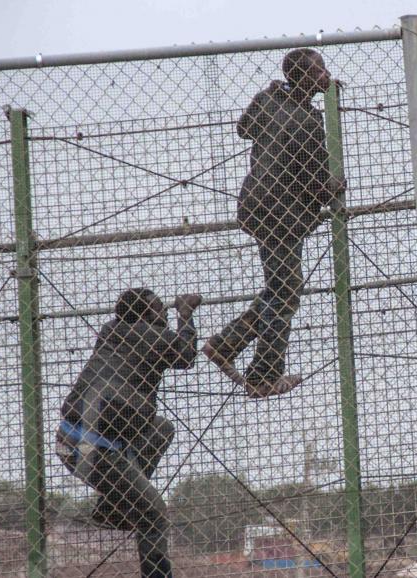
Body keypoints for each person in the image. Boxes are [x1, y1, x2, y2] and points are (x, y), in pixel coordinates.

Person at [202, 48, 344, 397]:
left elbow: (244, 128)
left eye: (324, 70)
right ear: (302, 78)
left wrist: (272, 93)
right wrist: (334, 187)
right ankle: (263, 375)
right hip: (283, 215)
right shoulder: (308, 121)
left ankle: (225, 344)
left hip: (256, 206)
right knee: (285, 295)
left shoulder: (269, 100)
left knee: (280, 290)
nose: (325, 76)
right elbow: (315, 180)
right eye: (318, 72)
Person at [56, 288, 203, 578]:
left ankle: (111, 507)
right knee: (153, 515)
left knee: (161, 428)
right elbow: (186, 356)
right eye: (159, 307)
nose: (164, 311)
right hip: (96, 450)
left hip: (74, 439)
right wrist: (185, 314)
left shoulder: (111, 330)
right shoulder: (152, 335)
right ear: (145, 315)